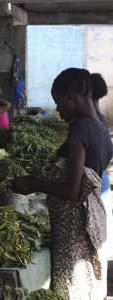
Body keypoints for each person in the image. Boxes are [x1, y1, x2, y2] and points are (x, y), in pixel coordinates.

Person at [12, 68, 112, 299]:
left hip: (74, 226)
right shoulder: (101, 127)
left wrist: (34, 184)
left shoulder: (79, 129)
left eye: (58, 102)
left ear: (71, 97)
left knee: (72, 286)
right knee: (87, 284)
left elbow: (72, 190)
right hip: (92, 219)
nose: (57, 109)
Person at [90, 73, 113, 260]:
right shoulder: (102, 119)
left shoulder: (91, 123)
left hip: (97, 185)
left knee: (97, 241)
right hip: (103, 181)